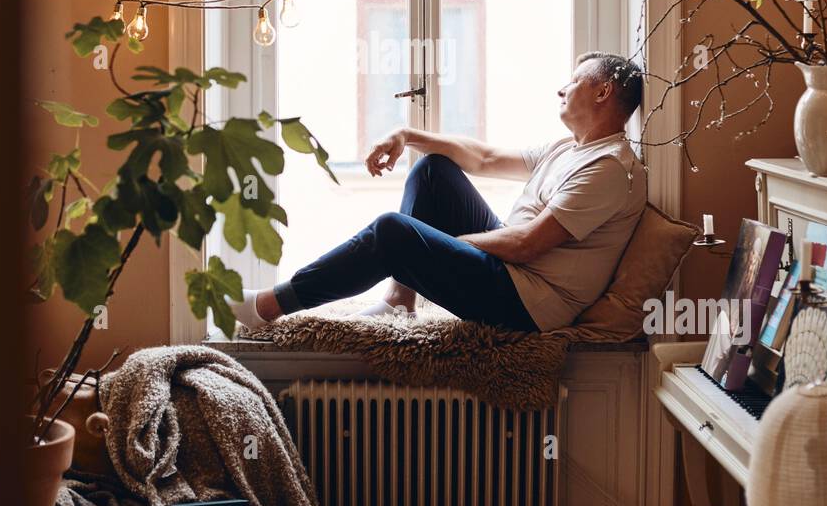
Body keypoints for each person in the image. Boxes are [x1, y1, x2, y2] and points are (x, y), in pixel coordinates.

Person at [227, 52, 647, 334]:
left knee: (394, 232)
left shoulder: (608, 168)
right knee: (433, 170)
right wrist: (405, 135)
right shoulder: (569, 149)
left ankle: (266, 308)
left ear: (602, 91)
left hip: (529, 304)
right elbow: (482, 158)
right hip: (515, 274)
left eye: (573, 82)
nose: (561, 90)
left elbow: (526, 244)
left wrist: (434, 246)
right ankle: (399, 301)